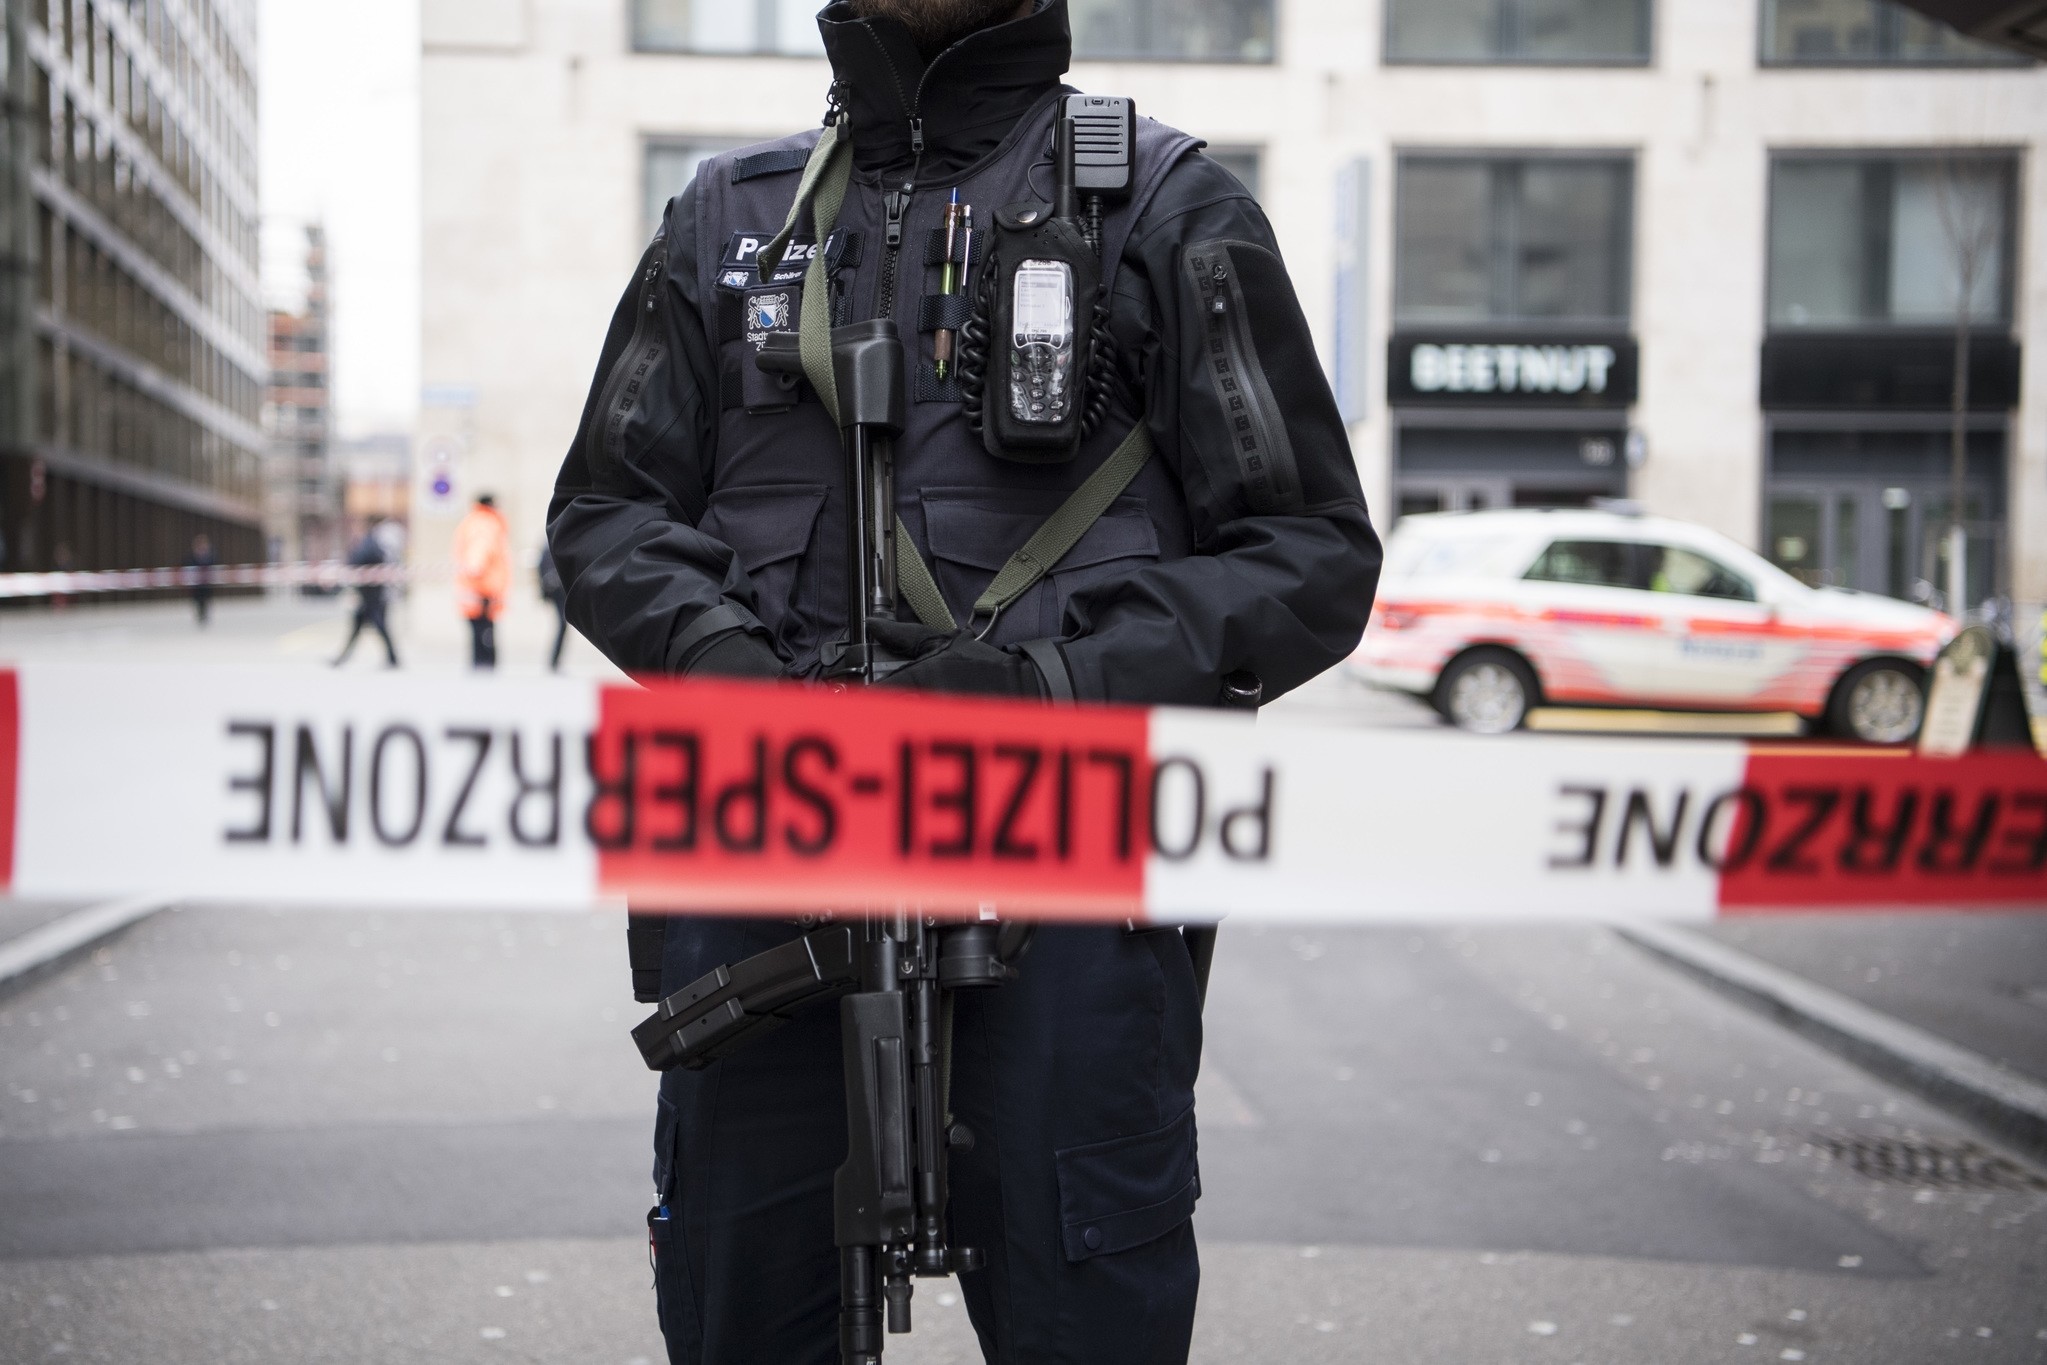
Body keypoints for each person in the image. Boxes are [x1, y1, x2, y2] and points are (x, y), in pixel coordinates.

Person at [548, 3, 1380, 1361]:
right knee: (737, 1313)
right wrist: (727, 677)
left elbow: (1307, 556)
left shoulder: (1167, 209)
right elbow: (604, 517)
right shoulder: (723, 222)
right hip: (767, 872)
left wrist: (1045, 688)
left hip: (1064, 902)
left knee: (1086, 1317)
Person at [332, 521, 401, 668]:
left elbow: (356, 561)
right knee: (365, 628)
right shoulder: (375, 545)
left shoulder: (369, 545)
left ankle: (392, 658)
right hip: (372, 596)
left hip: (371, 597)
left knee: (377, 627)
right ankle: (342, 658)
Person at [453, 493, 509, 669]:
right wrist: (477, 570)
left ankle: (480, 666)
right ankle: (484, 669)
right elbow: (479, 552)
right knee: (484, 632)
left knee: (478, 632)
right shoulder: (485, 523)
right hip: (483, 589)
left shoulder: (472, 521)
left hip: (475, 588)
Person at [538, 543, 570, 671]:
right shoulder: (550, 544)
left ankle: (555, 660)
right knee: (562, 624)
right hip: (558, 591)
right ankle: (554, 661)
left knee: (562, 625)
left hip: (560, 591)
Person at [184, 532, 217, 626]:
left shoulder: (210, 555)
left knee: (206, 599)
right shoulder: (192, 556)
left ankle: (204, 615)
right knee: (198, 600)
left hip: (206, 583)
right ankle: (200, 614)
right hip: (196, 583)